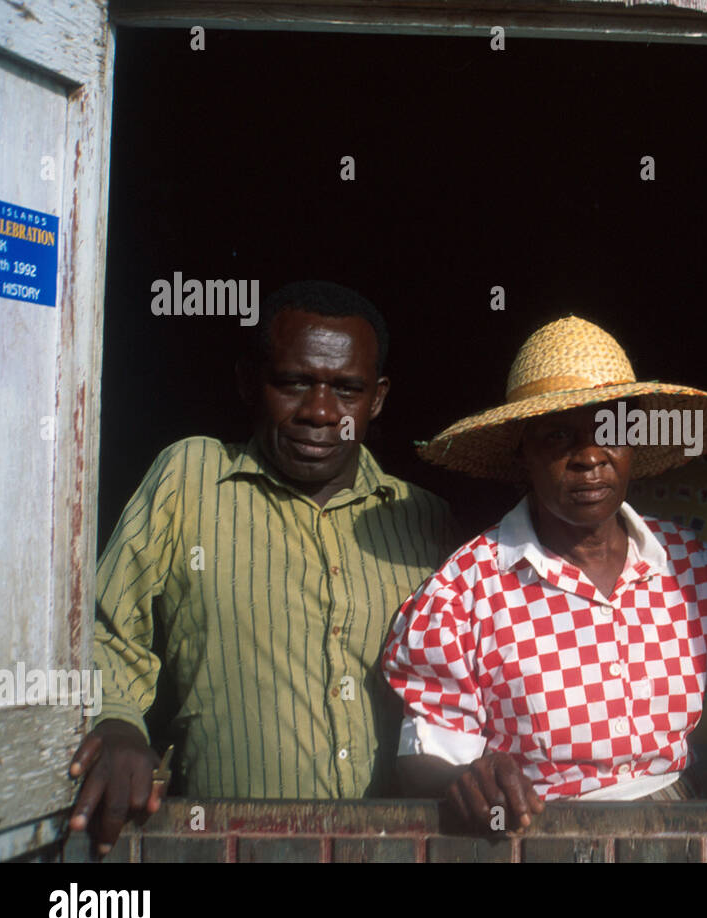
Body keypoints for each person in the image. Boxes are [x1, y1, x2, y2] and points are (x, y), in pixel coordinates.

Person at [382, 315, 707, 832]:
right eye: (558, 437)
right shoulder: (464, 591)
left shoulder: (688, 568)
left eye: (612, 430)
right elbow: (425, 760)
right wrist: (462, 781)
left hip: (673, 828)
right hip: (533, 838)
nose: (589, 457)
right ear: (523, 453)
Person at [69, 280, 459, 856]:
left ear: (376, 400)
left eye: (346, 389)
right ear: (249, 383)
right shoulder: (190, 479)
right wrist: (119, 724)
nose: (320, 412)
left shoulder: (424, 520)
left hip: (395, 850)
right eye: (294, 382)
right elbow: (103, 631)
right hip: (230, 849)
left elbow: (468, 686)